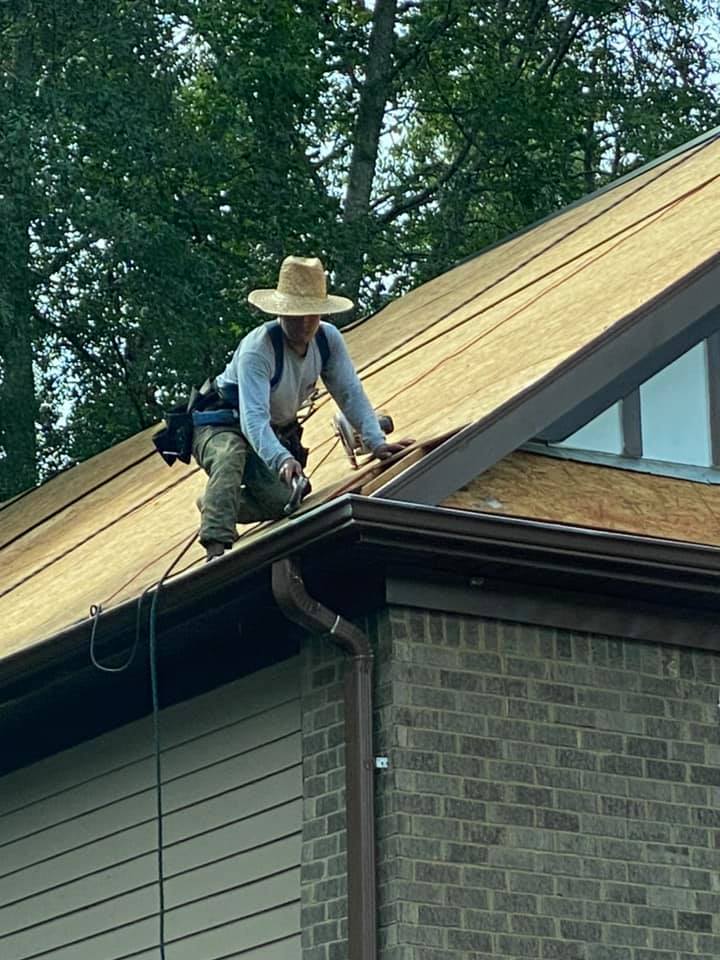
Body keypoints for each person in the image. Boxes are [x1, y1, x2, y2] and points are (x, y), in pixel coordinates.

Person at [193, 255, 412, 560]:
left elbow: (349, 392)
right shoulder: (259, 349)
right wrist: (282, 459)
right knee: (230, 455)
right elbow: (253, 419)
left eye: (313, 314)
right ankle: (216, 545)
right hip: (221, 425)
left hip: (271, 432)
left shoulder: (327, 341)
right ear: (281, 312)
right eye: (297, 315)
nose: (306, 323)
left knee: (286, 499)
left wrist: (376, 441)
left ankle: (216, 501)